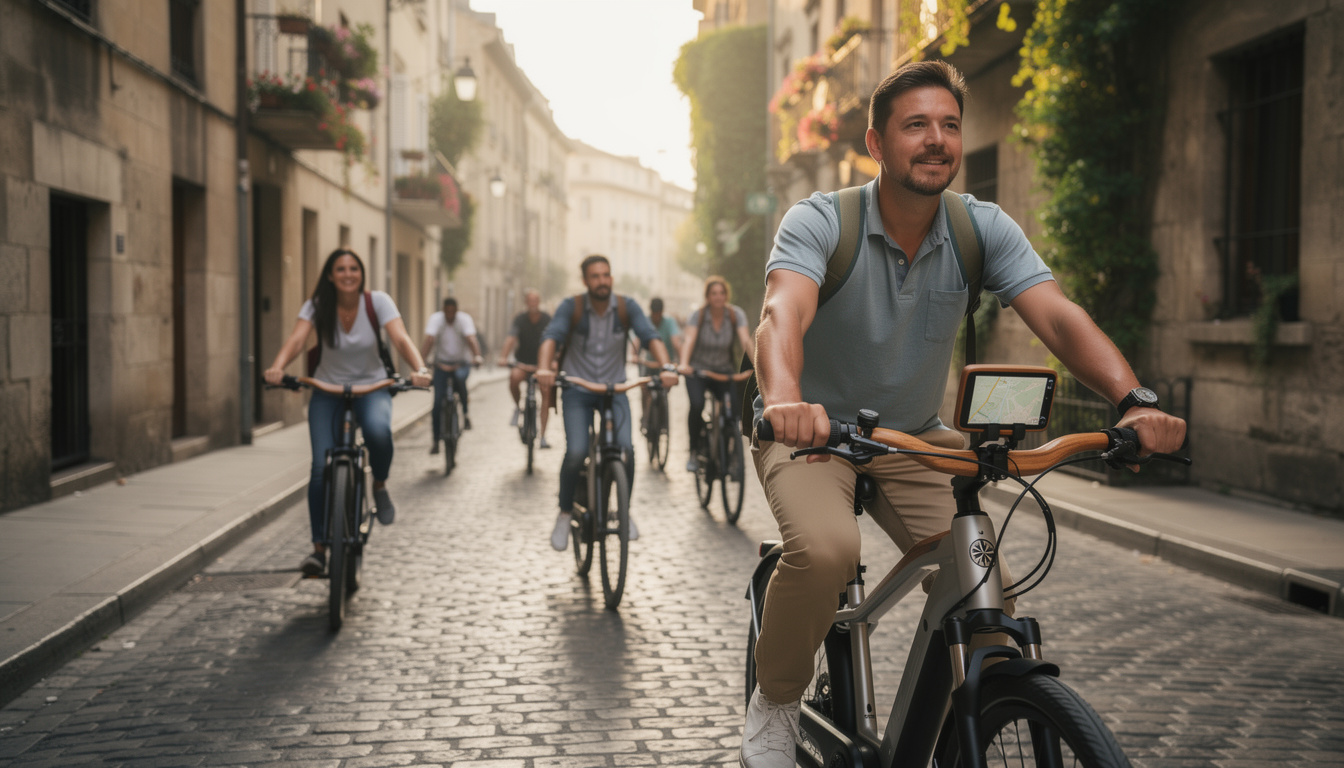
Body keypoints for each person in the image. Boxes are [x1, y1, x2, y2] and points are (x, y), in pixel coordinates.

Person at [740, 60, 1188, 768]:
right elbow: (781, 314)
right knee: (826, 552)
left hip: (914, 437)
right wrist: (787, 402)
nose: (937, 139)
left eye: (949, 125)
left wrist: (1133, 401)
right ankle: (776, 700)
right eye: (916, 125)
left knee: (986, 602)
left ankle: (963, 731)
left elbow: (1058, 317)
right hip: (813, 432)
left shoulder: (980, 228)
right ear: (876, 143)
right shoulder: (822, 219)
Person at [263, 248, 431, 576]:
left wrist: (419, 368)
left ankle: (379, 485)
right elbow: (297, 340)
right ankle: (318, 550)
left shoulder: (378, 302)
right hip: (327, 391)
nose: (348, 274)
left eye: (354, 268)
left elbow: (400, 338)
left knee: (379, 433)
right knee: (318, 467)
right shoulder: (317, 306)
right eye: (340, 269)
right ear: (330, 275)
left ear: (361, 273)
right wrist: (277, 367)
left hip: (373, 387)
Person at [534, 255, 680, 551]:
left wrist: (666, 367)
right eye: (595, 276)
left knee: (626, 450)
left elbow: (650, 336)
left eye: (606, 275)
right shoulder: (572, 306)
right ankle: (564, 513)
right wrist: (544, 369)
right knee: (576, 452)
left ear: (611, 278)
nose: (602, 281)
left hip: (615, 390)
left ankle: (624, 510)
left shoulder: (627, 307)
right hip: (578, 390)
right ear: (585, 281)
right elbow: (552, 336)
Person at [677, 276, 755, 472]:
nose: (718, 297)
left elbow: (746, 341)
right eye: (714, 293)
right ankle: (694, 451)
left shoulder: (735, 315)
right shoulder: (698, 316)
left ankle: (732, 452)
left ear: (726, 295)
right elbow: (689, 340)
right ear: (708, 297)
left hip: (723, 371)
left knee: (733, 412)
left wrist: (758, 366)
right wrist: (684, 363)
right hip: (698, 371)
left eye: (721, 293)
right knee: (697, 405)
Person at [421, 297, 483, 451]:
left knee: (460, 380)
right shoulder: (436, 319)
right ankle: (436, 441)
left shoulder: (464, 320)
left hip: (460, 364)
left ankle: (466, 414)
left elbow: (471, 339)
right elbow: (429, 340)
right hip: (441, 365)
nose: (449, 314)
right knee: (437, 402)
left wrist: (477, 356)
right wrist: (420, 362)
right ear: (443, 310)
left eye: (452, 311)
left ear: (456, 310)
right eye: (447, 311)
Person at [498, 288, 554, 448]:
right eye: (530, 301)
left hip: (542, 366)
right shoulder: (520, 319)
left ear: (539, 302)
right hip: (522, 363)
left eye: (535, 301)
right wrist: (503, 356)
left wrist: (555, 360)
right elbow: (511, 338)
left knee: (546, 392)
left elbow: (554, 340)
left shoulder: (547, 319)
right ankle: (518, 407)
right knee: (514, 378)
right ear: (526, 302)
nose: (533, 304)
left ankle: (543, 436)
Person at [629, 296, 683, 434]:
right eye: (654, 314)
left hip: (665, 365)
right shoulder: (645, 321)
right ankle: (645, 416)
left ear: (662, 312)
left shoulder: (669, 322)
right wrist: (634, 355)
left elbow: (676, 342)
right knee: (644, 389)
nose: (656, 317)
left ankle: (663, 420)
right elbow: (637, 341)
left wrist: (682, 361)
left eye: (658, 314)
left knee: (664, 390)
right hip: (648, 363)